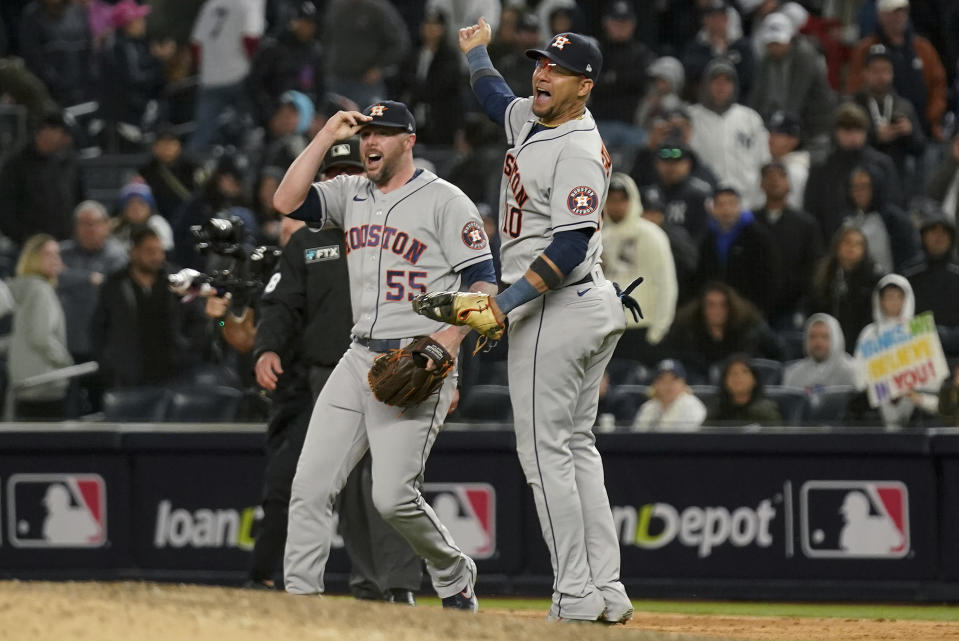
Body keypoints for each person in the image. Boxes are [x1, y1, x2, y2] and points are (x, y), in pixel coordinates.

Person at [444, 21, 636, 624]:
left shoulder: (579, 146)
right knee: (577, 448)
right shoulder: (532, 115)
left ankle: (573, 594)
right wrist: (475, 50)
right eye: (540, 63)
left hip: (560, 305)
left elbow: (571, 246)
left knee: (544, 453)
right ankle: (606, 590)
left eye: (556, 69)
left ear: (586, 85)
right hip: (573, 306)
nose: (541, 74)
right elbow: (494, 97)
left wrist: (504, 302)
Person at [272, 99, 496, 610]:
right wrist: (327, 136)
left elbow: (483, 278)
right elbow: (286, 200)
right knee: (309, 485)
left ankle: (453, 570)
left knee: (392, 498)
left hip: (418, 359)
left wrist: (450, 342)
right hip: (357, 357)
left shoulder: (444, 199)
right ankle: (297, 607)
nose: (371, 142)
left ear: (409, 141)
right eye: (367, 133)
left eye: (385, 133)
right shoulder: (349, 192)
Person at [247, 137, 421, 602]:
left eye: (348, 172)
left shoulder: (397, 230)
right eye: (330, 174)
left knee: (389, 485)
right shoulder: (306, 241)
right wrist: (265, 348)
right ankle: (368, 584)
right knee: (338, 488)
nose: (337, 181)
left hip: (394, 369)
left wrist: (448, 368)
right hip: (326, 376)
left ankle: (400, 585)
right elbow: (280, 305)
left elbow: (431, 298)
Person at [90, 226, 208, 389]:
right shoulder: (114, 285)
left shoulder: (178, 280)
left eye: (160, 251)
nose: (157, 256)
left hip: (175, 373)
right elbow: (98, 328)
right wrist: (110, 362)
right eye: (150, 251)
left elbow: (199, 319)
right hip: (129, 377)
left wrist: (188, 350)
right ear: (133, 252)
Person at [602, 173, 676, 364]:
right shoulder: (598, 237)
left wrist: (658, 332)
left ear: (632, 200)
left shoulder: (651, 235)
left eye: (621, 200)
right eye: (611, 200)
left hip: (642, 329)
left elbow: (666, 284)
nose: (616, 206)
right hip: (607, 330)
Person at [846, 0, 947, 140]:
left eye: (901, 11)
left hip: (921, 130)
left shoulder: (923, 48)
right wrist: (868, 128)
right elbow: (854, 88)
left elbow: (938, 85)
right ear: (880, 15)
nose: (897, 16)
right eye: (892, 12)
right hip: (874, 133)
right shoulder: (865, 49)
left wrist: (933, 119)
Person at [804, 102, 903, 245]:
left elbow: (893, 204)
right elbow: (812, 210)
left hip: (876, 241)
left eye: (858, 130)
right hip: (831, 243)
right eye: (846, 130)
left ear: (866, 132)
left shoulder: (882, 164)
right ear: (836, 132)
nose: (852, 136)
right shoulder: (822, 168)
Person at [853, 275, 939, 428]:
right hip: (876, 408)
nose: (894, 301)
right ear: (880, 300)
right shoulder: (869, 334)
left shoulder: (919, 331)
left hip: (915, 403)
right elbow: (859, 375)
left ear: (907, 299)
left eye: (899, 296)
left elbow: (934, 379)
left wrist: (909, 390)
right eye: (889, 297)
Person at [688, 58, 770, 210]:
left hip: (748, 203)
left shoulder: (750, 117)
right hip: (707, 203)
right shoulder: (690, 117)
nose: (722, 87)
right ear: (706, 85)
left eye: (727, 81)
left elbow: (764, 161)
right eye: (716, 81)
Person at [8, 233, 73, 420]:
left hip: (25, 384)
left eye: (57, 254)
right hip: (45, 384)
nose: (56, 260)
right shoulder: (41, 290)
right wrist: (65, 360)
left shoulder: (25, 287)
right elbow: (40, 336)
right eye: (49, 254)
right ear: (33, 257)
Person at [666, 281, 784, 383]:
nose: (717, 311)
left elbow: (779, 353)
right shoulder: (685, 332)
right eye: (711, 305)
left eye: (723, 305)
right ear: (702, 308)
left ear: (731, 307)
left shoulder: (751, 329)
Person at [749, 11, 834, 151]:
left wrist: (780, 132)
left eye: (779, 42)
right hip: (782, 124)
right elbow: (758, 95)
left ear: (790, 38)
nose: (775, 47)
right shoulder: (766, 61)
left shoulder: (804, 56)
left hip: (814, 126)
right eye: (771, 43)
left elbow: (795, 98)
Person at [753, 161, 823, 327]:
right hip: (756, 308)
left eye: (781, 176)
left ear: (789, 184)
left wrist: (805, 304)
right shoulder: (750, 222)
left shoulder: (806, 224)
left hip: (793, 308)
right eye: (769, 177)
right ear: (761, 185)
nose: (775, 181)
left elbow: (814, 267)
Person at [693, 184, 780, 316]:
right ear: (713, 208)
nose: (726, 210)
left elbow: (768, 276)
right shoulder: (706, 238)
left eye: (731, 204)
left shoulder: (757, 236)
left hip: (749, 310)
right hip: (714, 310)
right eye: (721, 204)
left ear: (739, 206)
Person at [188, 0, 265, 150]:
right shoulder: (249, 3)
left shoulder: (211, 4)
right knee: (249, 130)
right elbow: (250, 38)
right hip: (240, 77)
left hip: (209, 78)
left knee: (202, 133)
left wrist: (205, 69)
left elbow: (195, 44)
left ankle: (191, 167)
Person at [0, 112, 85, 245]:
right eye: (63, 133)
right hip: (29, 247)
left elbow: (80, 200)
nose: (67, 139)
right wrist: (23, 238)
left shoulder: (69, 162)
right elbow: (6, 207)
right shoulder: (17, 164)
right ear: (46, 130)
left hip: (66, 244)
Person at [851, 44, 925, 182]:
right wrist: (875, 137)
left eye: (886, 70)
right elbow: (842, 143)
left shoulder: (904, 106)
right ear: (865, 73)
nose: (881, 76)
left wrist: (909, 133)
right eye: (875, 71)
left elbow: (920, 148)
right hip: (860, 178)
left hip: (895, 181)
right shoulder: (854, 106)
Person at [810, 224, 885, 354]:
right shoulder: (824, 274)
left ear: (864, 249)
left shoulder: (873, 278)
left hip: (862, 344)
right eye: (847, 242)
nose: (851, 248)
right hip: (828, 344)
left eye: (857, 244)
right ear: (837, 245)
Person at [247, 1, 324, 126]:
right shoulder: (272, 48)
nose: (308, 28)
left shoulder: (313, 50)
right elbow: (255, 84)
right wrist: (270, 112)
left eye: (311, 24)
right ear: (293, 22)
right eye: (304, 22)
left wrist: (315, 112)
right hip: (272, 116)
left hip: (304, 115)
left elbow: (320, 86)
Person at [322, 0, 409, 109]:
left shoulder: (379, 8)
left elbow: (400, 43)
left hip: (365, 83)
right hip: (336, 80)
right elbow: (326, 38)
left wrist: (379, 68)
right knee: (335, 122)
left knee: (368, 123)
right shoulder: (335, 5)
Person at [590, 1, 653, 152]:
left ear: (633, 24)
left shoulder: (641, 53)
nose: (621, 26)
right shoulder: (595, 51)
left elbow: (641, 82)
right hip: (599, 124)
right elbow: (593, 85)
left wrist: (611, 79)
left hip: (632, 125)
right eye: (616, 21)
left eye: (625, 22)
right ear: (606, 23)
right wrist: (624, 80)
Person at [395, 9, 463, 146]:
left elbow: (439, 87)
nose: (430, 29)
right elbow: (401, 80)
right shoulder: (413, 54)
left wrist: (414, 87)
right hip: (413, 116)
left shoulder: (449, 56)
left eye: (435, 25)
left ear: (443, 29)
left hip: (439, 118)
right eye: (427, 25)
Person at [905, 215, 959, 355]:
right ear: (923, 237)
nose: (938, 237)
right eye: (933, 232)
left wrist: (947, 336)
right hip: (917, 355)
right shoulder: (909, 273)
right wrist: (928, 334)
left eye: (943, 233)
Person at [681, 0, 755, 101]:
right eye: (713, 18)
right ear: (705, 21)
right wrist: (717, 54)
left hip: (737, 103)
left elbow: (748, 77)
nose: (717, 23)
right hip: (701, 102)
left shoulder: (741, 46)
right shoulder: (696, 46)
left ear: (727, 20)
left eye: (721, 18)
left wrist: (722, 53)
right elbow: (691, 74)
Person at [138, 128, 200, 224]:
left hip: (189, 218)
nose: (167, 147)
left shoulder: (191, 167)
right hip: (157, 219)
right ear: (155, 147)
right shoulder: (146, 170)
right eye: (163, 144)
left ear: (178, 146)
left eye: (171, 143)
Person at [783, 313, 858, 391]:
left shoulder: (852, 372)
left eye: (824, 337)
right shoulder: (794, 374)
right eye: (813, 336)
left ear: (836, 339)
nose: (818, 342)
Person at [707, 354, 783, 426]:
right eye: (733, 373)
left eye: (745, 372)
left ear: (755, 380)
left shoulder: (766, 410)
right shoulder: (714, 408)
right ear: (725, 381)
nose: (738, 377)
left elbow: (778, 437)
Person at [632, 359, 707, 432]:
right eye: (662, 380)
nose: (668, 385)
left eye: (673, 380)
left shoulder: (692, 406)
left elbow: (685, 440)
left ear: (683, 383)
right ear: (655, 385)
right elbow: (636, 437)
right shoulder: (648, 407)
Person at [111, 181, 175, 251]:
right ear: (123, 210)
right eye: (130, 205)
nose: (136, 209)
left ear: (149, 208)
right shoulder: (118, 227)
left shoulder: (157, 223)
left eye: (141, 204)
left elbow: (165, 248)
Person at [765, 110, 809, 211]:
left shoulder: (797, 171)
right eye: (770, 132)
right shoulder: (771, 162)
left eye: (778, 135)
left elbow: (792, 210)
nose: (771, 139)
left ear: (794, 140)